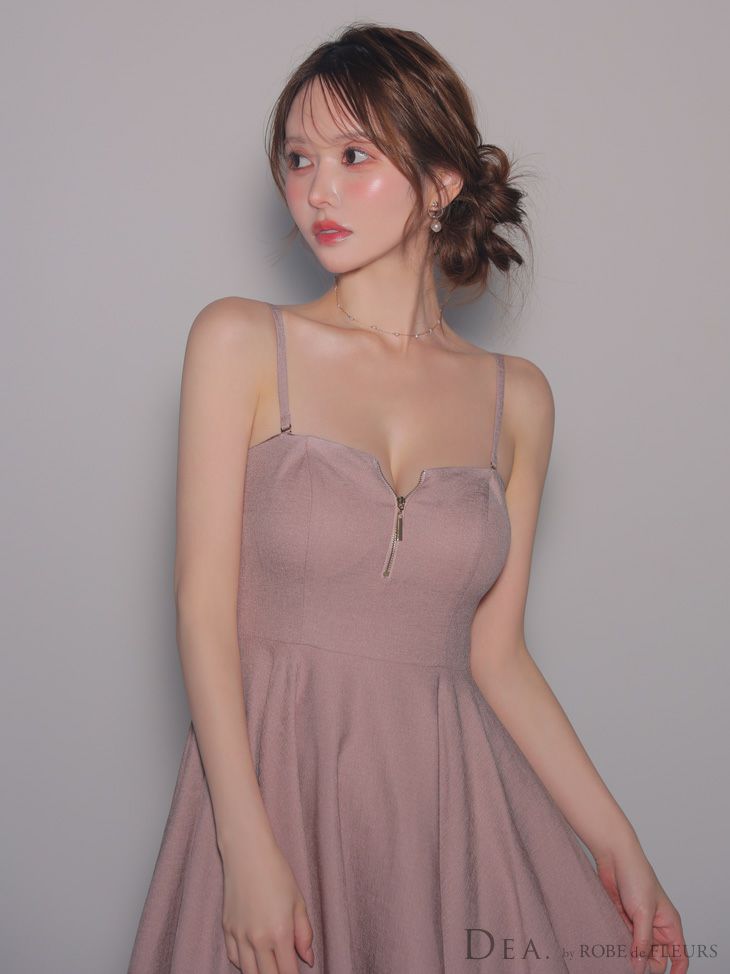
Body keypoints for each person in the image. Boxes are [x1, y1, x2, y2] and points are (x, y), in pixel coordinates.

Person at [128, 22, 688, 974]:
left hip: (447, 811)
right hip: (275, 789)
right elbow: (201, 611)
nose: (317, 190)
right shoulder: (239, 343)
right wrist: (243, 842)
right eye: (298, 159)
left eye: (354, 156)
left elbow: (496, 656)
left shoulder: (519, 399)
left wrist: (617, 841)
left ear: (440, 183)